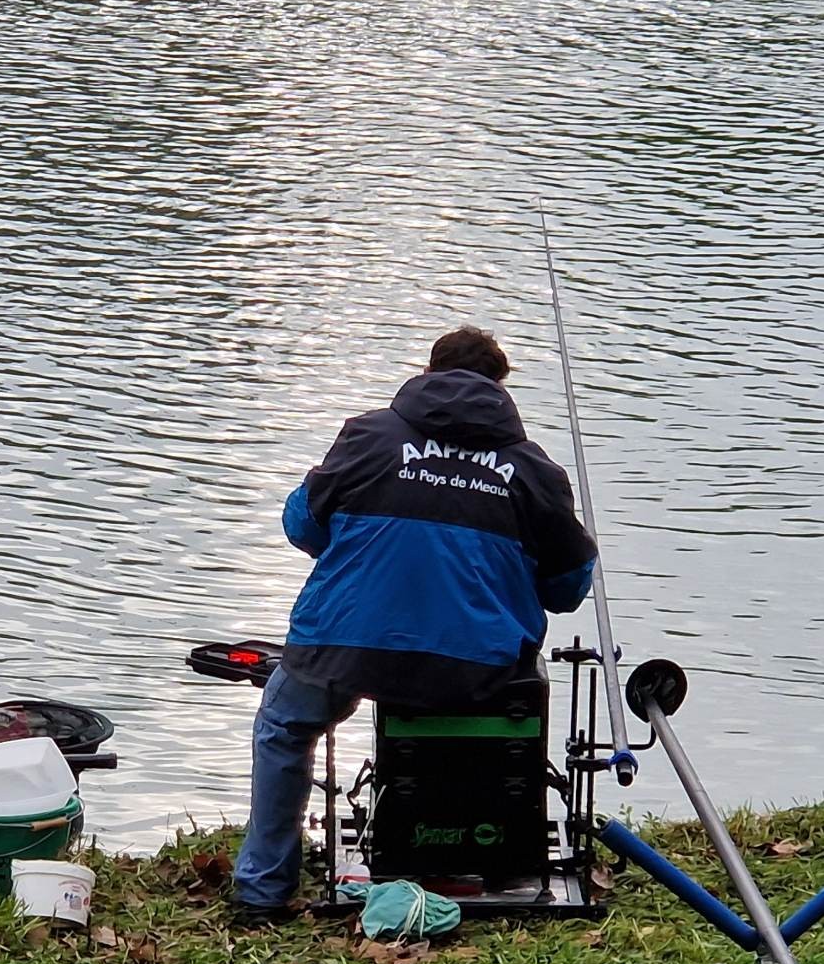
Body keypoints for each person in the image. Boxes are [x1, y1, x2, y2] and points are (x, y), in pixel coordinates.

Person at [233, 326, 598, 917]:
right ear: (500, 388)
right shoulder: (535, 470)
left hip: (347, 646)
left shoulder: (366, 437)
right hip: (478, 664)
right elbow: (568, 590)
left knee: (285, 728)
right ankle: (489, 844)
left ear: (429, 373)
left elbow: (302, 527)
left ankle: (263, 893)